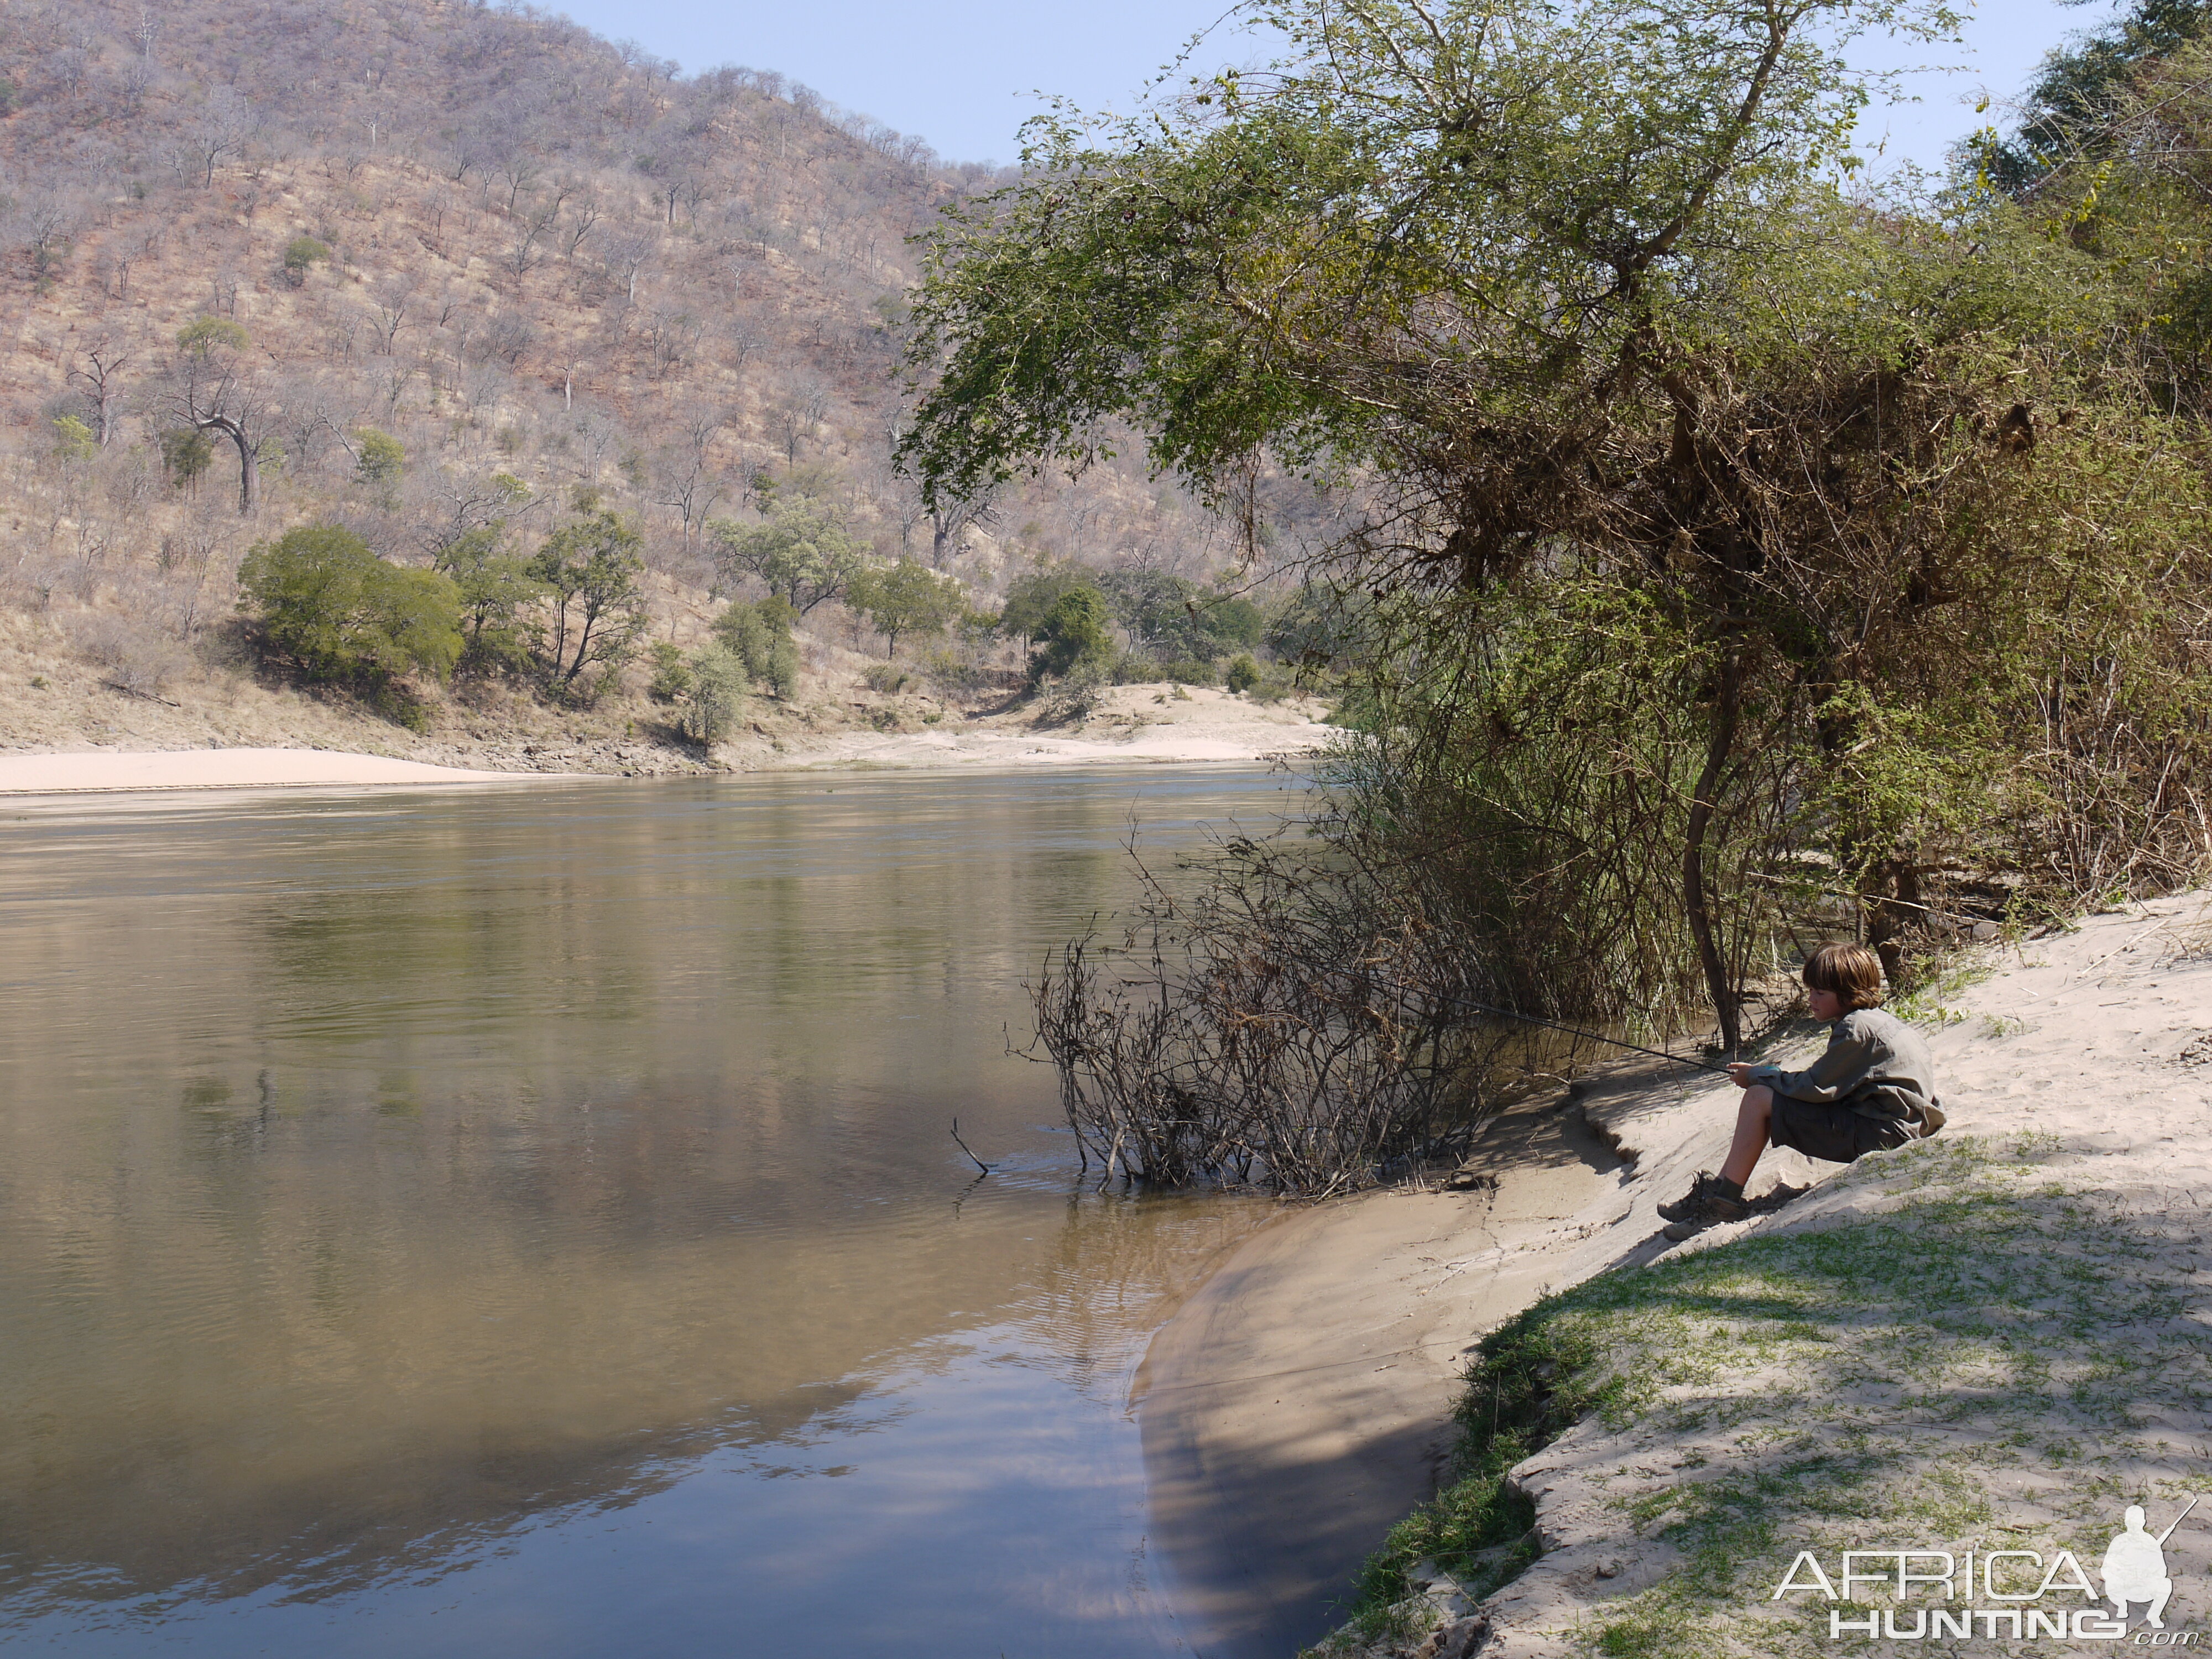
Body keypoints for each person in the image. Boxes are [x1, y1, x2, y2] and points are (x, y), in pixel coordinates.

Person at [1657, 942, 1945, 1234]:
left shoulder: (1854, 1029)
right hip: (1898, 1125)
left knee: (1759, 1098)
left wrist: (1758, 1077)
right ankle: (1718, 1190)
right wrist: (1766, 1074)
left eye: (1820, 993)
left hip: (1887, 1135)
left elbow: (1815, 1087)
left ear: (1848, 994)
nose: (1811, 999)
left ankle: (1722, 1204)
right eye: (1811, 990)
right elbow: (1827, 1083)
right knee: (1767, 1092)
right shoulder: (1877, 1021)